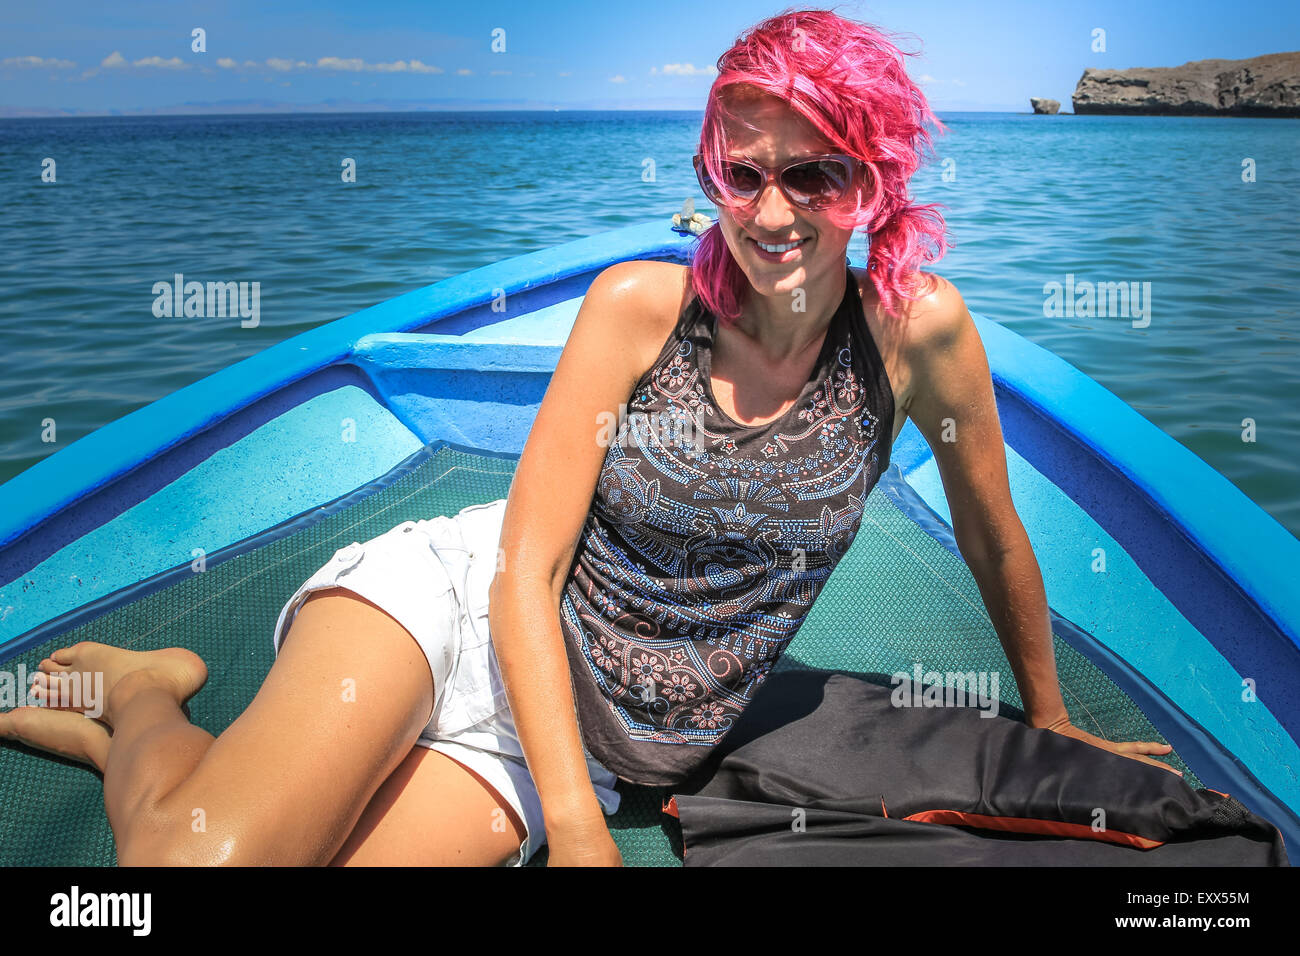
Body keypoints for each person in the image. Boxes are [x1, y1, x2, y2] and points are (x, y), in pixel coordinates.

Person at [0, 9, 1177, 868]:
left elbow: (993, 532)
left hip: (596, 743)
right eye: (742, 170)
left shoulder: (918, 336)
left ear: (871, 181)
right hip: (459, 612)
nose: (771, 211)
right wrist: (572, 825)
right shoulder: (637, 310)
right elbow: (526, 561)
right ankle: (148, 707)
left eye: (813, 174)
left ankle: (136, 725)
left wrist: (1049, 715)